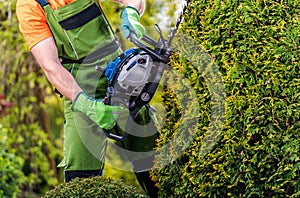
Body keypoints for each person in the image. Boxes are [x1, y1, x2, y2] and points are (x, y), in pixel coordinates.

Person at [16, 0, 159, 197]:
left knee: (155, 163)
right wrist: (85, 104)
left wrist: (131, 12)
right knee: (80, 180)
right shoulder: (29, 6)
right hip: (78, 89)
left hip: (120, 79)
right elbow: (51, 66)